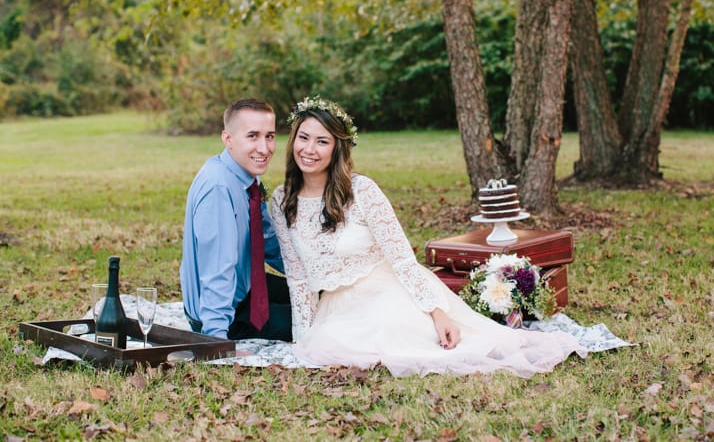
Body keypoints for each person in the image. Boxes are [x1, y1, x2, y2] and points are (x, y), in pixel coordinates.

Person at [271, 97, 588, 377]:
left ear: (337, 148)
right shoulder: (281, 200)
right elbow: (298, 280)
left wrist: (438, 313)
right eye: (303, 138)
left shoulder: (362, 191)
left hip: (385, 292)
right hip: (336, 306)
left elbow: (402, 259)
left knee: (392, 336)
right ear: (293, 140)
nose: (309, 149)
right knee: (336, 346)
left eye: (322, 141)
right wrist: (303, 339)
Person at [180, 98, 291, 341]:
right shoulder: (218, 188)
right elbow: (217, 270)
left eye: (269, 136)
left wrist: (313, 273)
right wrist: (216, 340)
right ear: (228, 139)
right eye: (253, 136)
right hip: (226, 315)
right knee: (318, 322)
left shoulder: (245, 175)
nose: (264, 148)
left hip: (247, 288)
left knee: (322, 299)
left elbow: (267, 240)